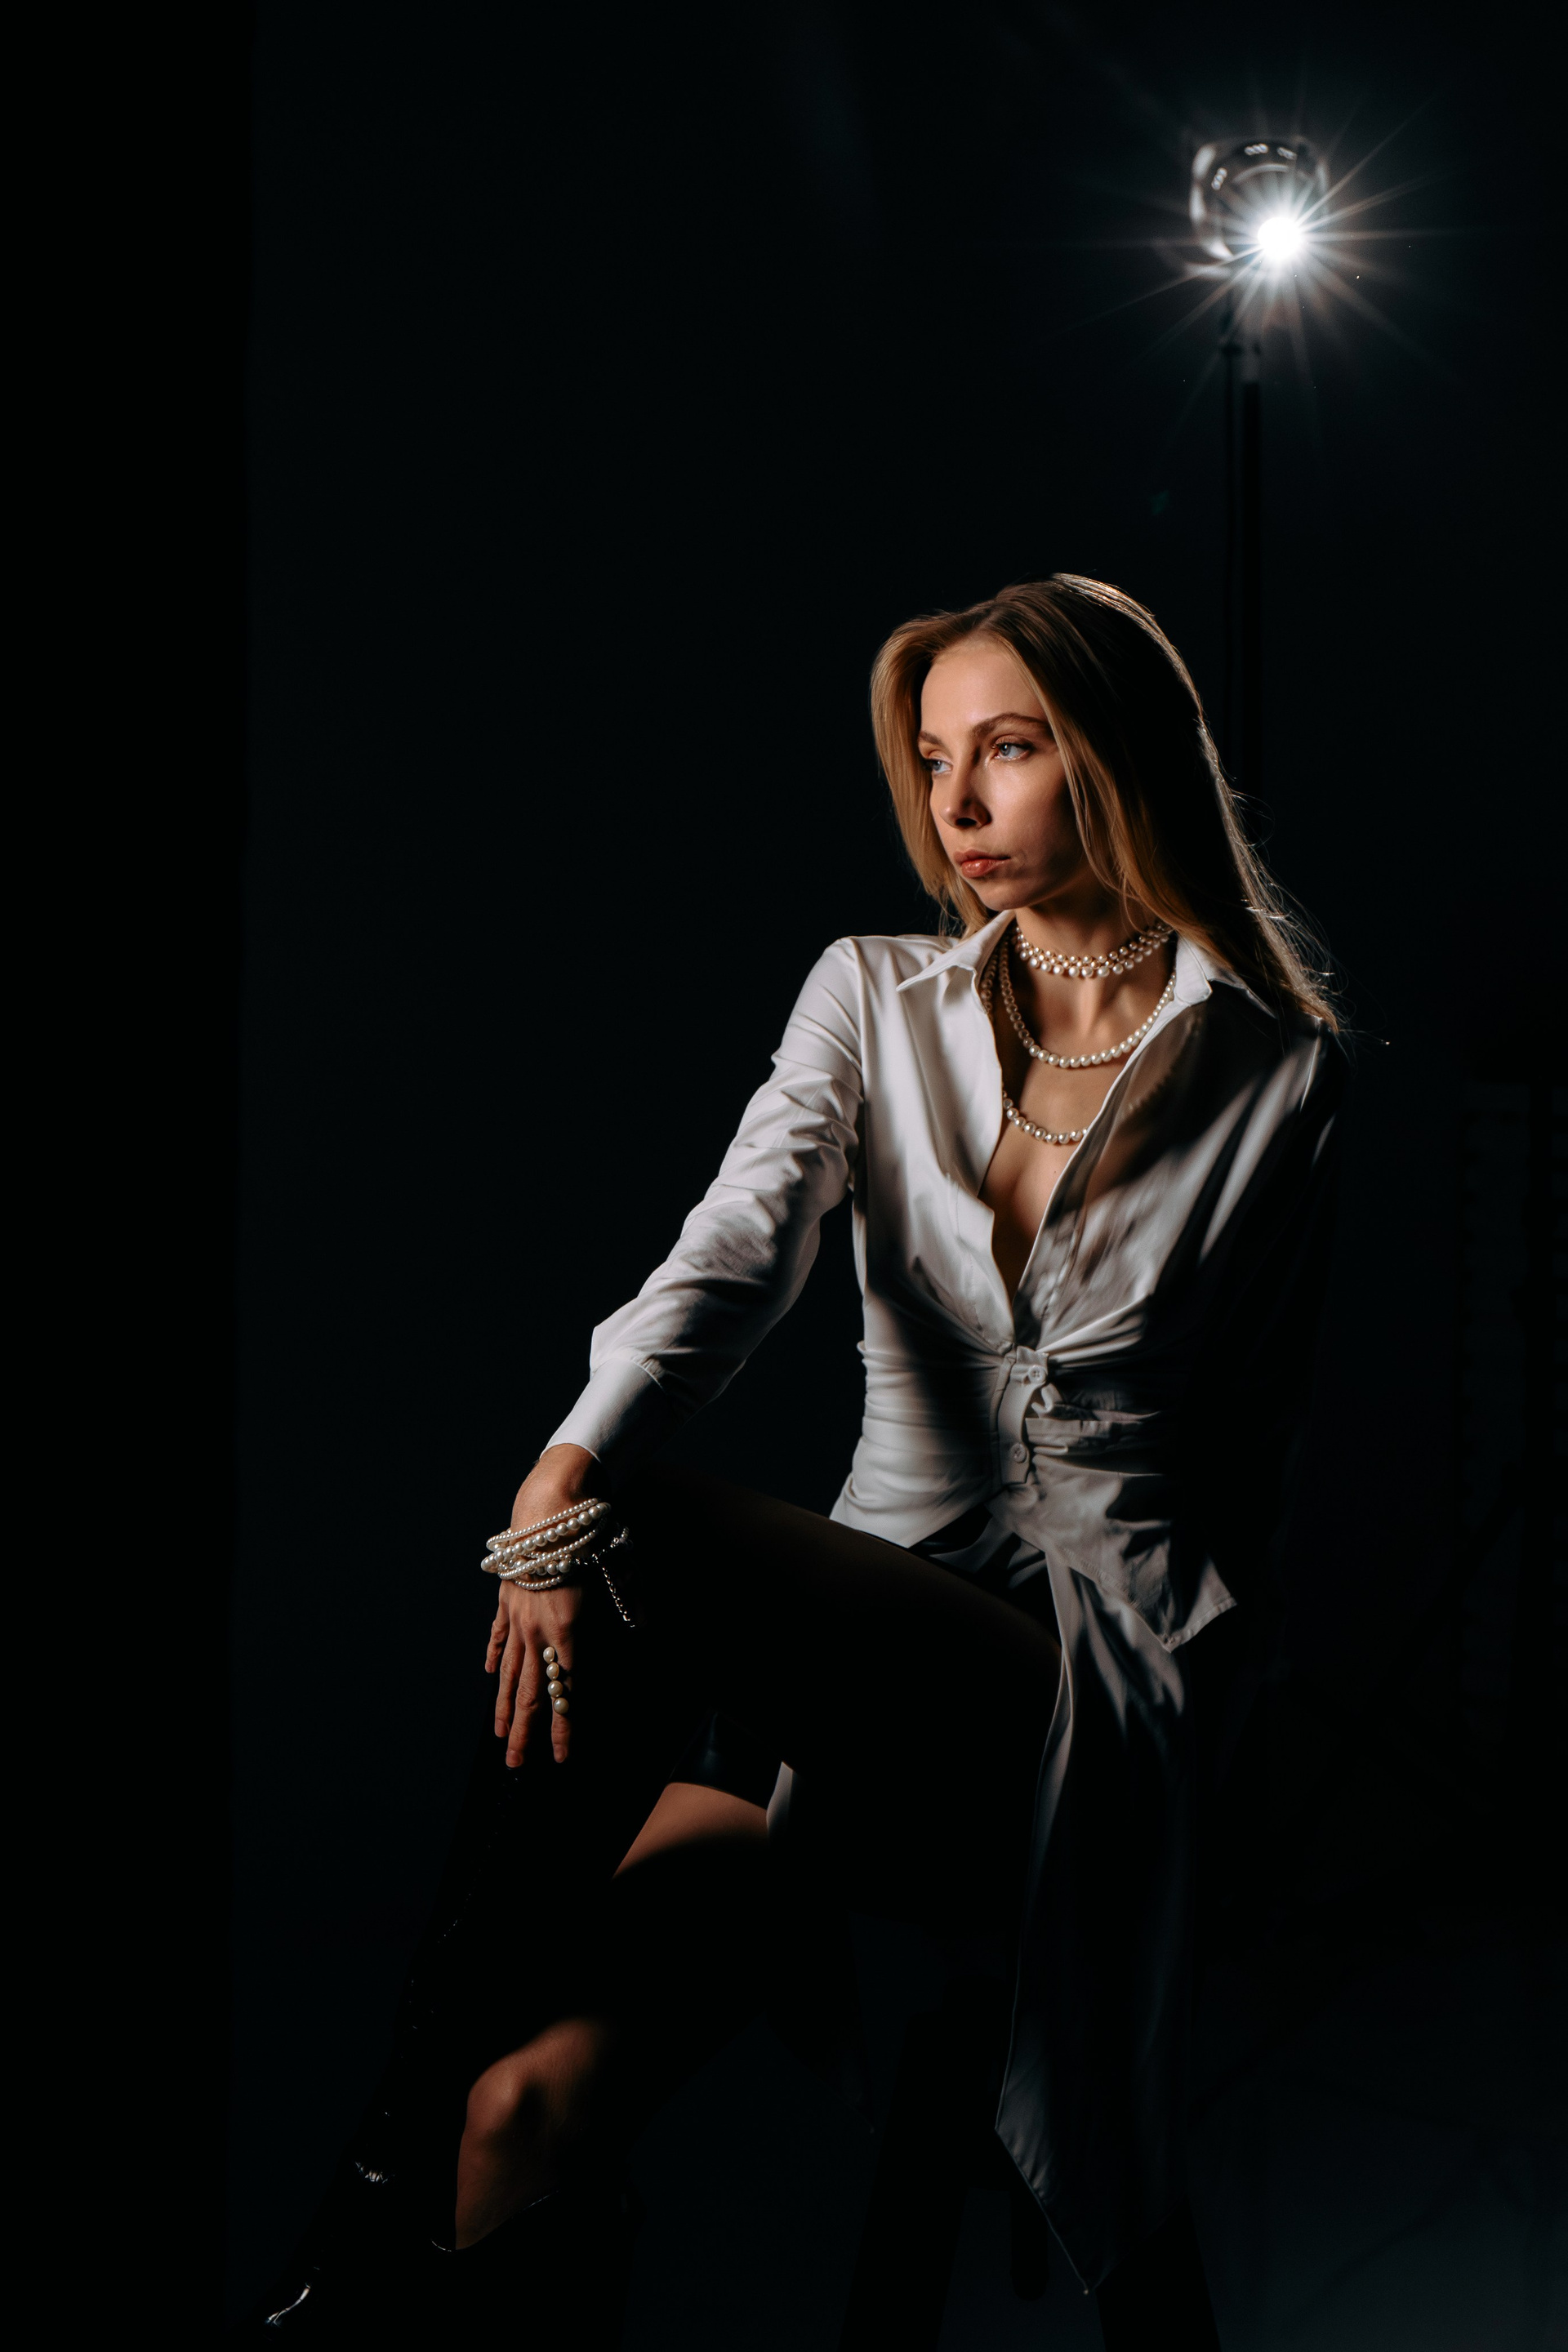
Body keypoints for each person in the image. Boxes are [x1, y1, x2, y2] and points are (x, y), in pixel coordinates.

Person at [247, 575, 1343, 2348]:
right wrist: (569, 1454)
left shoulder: (1279, 1078)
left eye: (1010, 749)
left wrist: (1215, 1789)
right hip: (839, 1663)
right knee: (516, 2113)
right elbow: (736, 1249)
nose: (959, 803)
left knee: (640, 1539)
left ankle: (350, 2217)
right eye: (934, 759)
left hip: (1075, 1680)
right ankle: (409, 2188)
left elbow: (1251, 1471)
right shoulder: (876, 994)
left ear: (1117, 755)